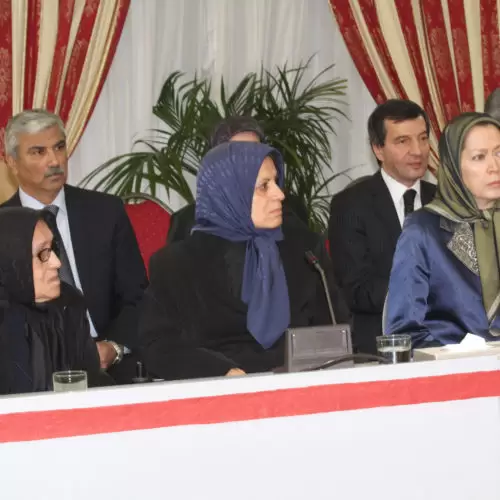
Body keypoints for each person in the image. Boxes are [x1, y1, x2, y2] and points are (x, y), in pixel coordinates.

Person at [140, 141, 350, 380]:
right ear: (229, 192)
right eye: (264, 186)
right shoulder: (175, 264)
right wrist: (220, 372)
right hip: (218, 393)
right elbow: (159, 346)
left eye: (276, 182)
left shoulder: (305, 250)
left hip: (300, 385)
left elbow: (335, 328)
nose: (280, 194)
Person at [1, 109, 148, 384]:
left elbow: (138, 296)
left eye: (59, 147)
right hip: (29, 367)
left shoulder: (105, 212)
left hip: (109, 361)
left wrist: (113, 348)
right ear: (12, 161)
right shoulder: (4, 229)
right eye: (38, 152)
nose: (55, 161)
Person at [328, 99, 436, 355]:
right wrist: (425, 286)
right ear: (378, 149)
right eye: (403, 141)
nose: (418, 150)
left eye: (422, 138)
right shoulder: (351, 205)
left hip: (444, 340)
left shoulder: (444, 200)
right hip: (380, 344)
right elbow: (357, 290)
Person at [385, 112, 500, 347]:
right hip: (456, 372)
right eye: (479, 157)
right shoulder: (424, 230)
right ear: (454, 167)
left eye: (499, 153)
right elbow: (404, 333)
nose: (494, 167)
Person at [0, 208, 109, 394]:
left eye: (52, 249)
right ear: (11, 261)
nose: (57, 263)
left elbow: (92, 381)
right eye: (43, 254)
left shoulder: (69, 304)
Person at [166, 115, 308, 244]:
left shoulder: (291, 212)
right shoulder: (186, 222)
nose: (250, 161)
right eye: (239, 154)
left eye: (255, 151)